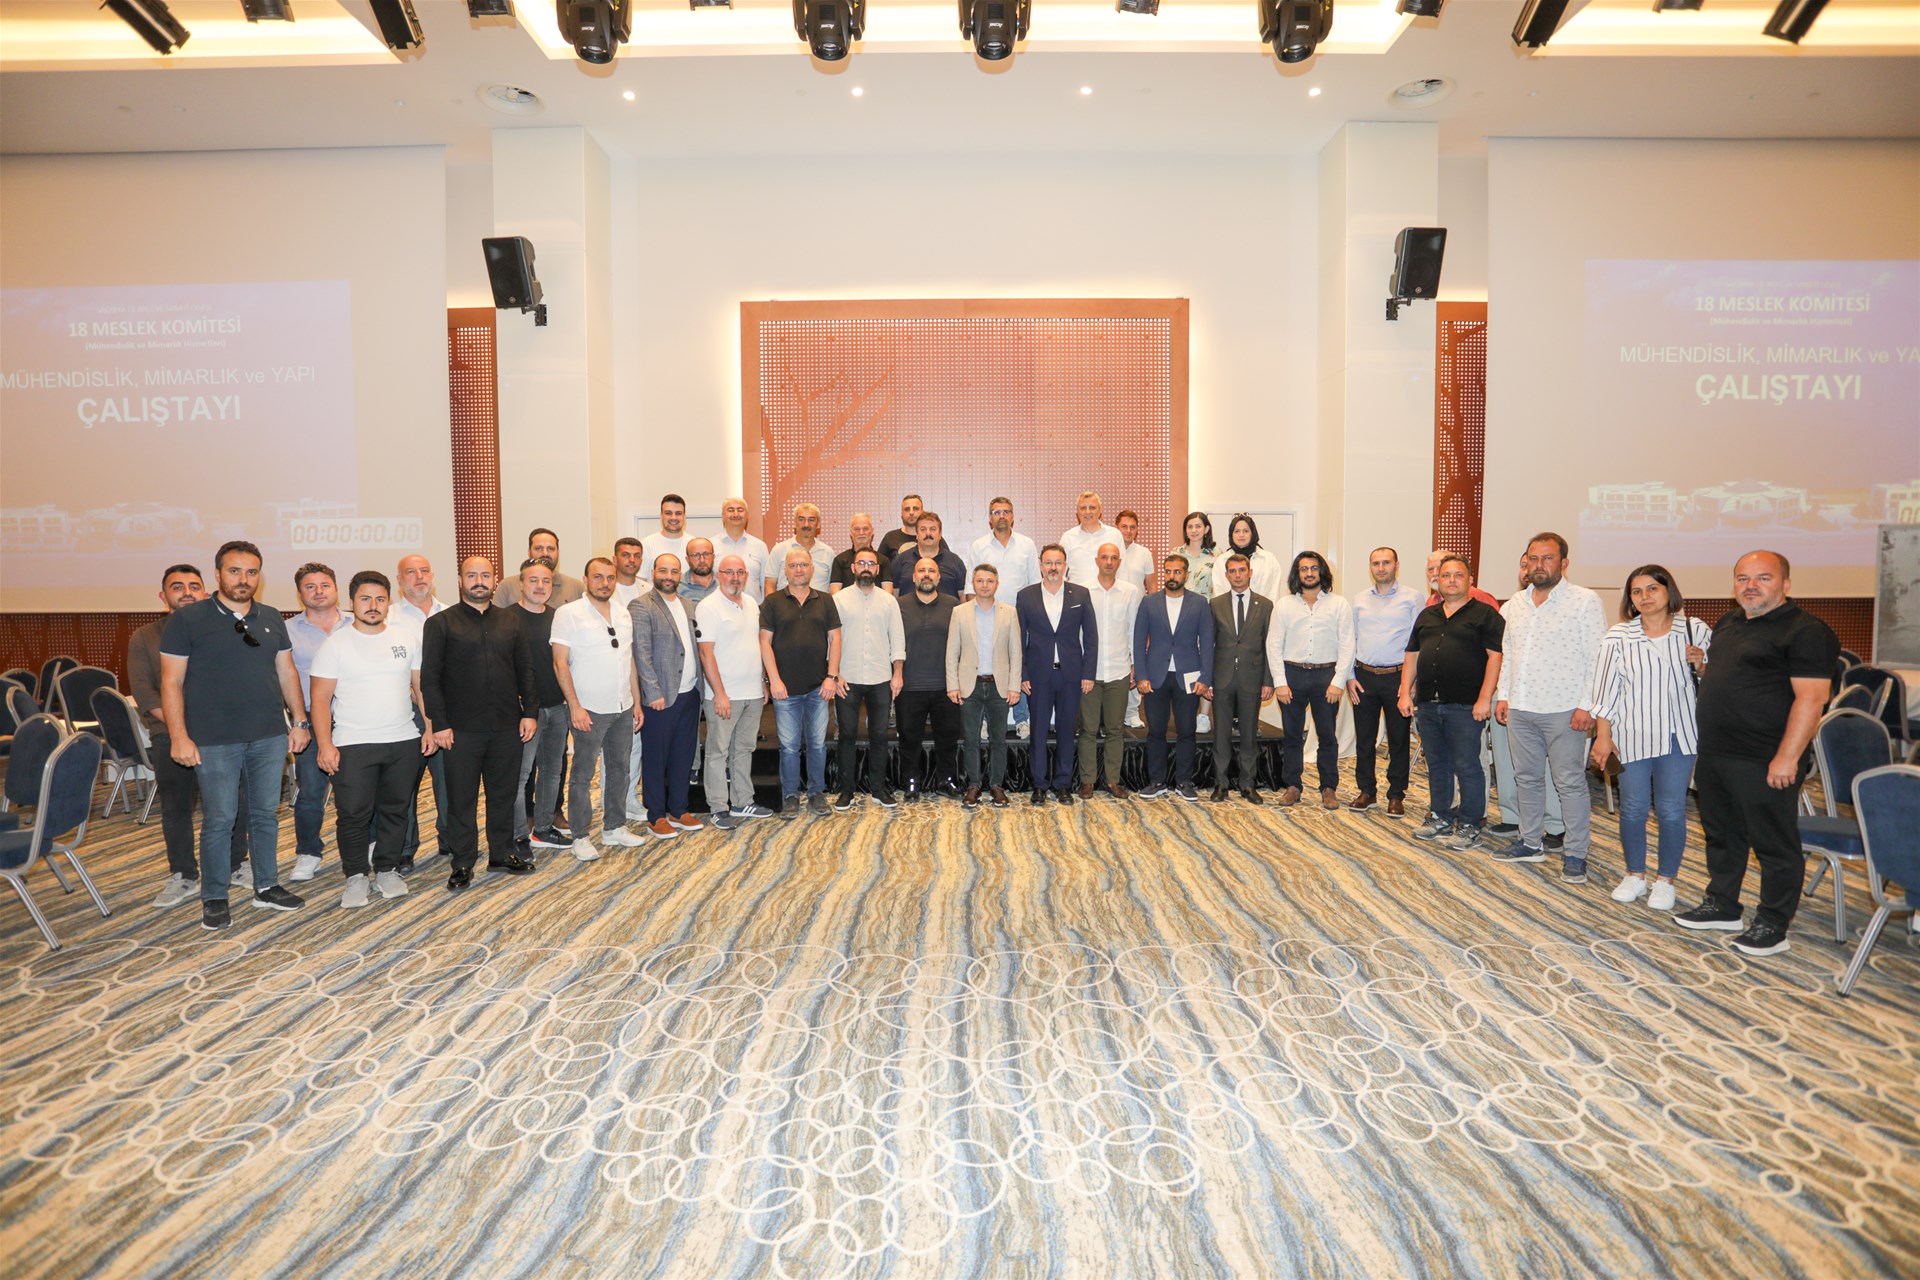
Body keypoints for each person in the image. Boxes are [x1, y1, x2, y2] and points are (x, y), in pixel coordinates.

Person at [1674, 550, 1838, 957]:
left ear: (1786, 584)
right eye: (1743, 578)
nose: (1751, 586)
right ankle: (1723, 905)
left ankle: (1773, 924)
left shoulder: (1806, 631)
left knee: (1773, 844)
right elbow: (1735, 678)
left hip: (1766, 757)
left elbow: (1812, 699)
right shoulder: (1730, 622)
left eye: (1763, 578)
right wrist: (1704, 671)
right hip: (1716, 752)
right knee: (1721, 835)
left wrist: (1788, 757)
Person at [159, 539, 309, 930]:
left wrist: (299, 721)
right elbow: (171, 682)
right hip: (213, 740)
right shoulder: (188, 620)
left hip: (269, 735)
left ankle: (267, 886)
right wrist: (179, 736)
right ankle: (214, 895)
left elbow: (287, 671)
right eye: (235, 571)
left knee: (265, 815)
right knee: (220, 819)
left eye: (251, 572)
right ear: (218, 574)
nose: (243, 579)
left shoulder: (271, 617)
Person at [1589, 565, 1711, 913]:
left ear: (1669, 591)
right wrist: (1603, 736)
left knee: (1672, 809)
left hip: (1678, 736)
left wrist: (1703, 665)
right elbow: (1606, 692)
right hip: (1632, 736)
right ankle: (1635, 874)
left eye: (1652, 589)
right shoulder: (1618, 636)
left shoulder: (1695, 630)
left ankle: (1666, 879)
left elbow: (1716, 683)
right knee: (1633, 807)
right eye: (1637, 591)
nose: (1645, 597)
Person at [129, 563, 249, 908]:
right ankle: (183, 874)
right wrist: (182, 729)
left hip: (223, 737)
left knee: (233, 804)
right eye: (177, 587)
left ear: (205, 592)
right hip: (171, 736)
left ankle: (236, 864)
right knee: (176, 808)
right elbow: (146, 695)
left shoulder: (225, 630)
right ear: (163, 595)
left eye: (194, 586)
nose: (186, 593)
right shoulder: (145, 637)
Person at [1491, 532, 1607, 884]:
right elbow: (1509, 654)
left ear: (1563, 563)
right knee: (1526, 779)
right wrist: (1504, 695)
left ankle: (1575, 853)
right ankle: (1530, 842)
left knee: (1569, 783)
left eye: (1547, 558)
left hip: (1565, 710)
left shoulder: (1584, 601)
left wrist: (1587, 706)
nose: (1539, 565)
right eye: (1533, 558)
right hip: (1521, 707)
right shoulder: (1514, 604)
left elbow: (1597, 658)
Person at [419, 555, 539, 890]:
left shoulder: (511, 620)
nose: (479, 581)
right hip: (460, 730)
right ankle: (462, 862)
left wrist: (530, 712)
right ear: (460, 580)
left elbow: (525, 670)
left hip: (507, 726)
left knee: (503, 795)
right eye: (471, 575)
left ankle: (501, 853)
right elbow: (430, 678)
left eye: (485, 575)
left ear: (494, 580)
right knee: (462, 799)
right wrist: (439, 723)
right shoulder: (441, 623)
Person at [309, 570, 427, 908]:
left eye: (379, 599)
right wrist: (325, 745)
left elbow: (421, 689)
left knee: (396, 811)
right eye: (365, 599)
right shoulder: (335, 645)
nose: (372, 605)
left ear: (388, 602)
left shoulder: (406, 639)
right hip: (352, 744)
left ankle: (387, 869)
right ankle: (356, 875)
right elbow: (320, 699)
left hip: (403, 740)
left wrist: (431, 728)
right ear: (352, 602)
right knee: (354, 815)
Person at [1399, 554, 1504, 851]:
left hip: (1466, 706)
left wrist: (1485, 698)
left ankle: (1470, 823)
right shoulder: (1427, 615)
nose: (1452, 580)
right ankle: (1440, 816)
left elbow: (1495, 657)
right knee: (1438, 764)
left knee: (1468, 766)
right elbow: (1412, 655)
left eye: (1458, 575)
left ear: (1470, 580)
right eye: (1446, 575)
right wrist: (1405, 692)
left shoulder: (1485, 614)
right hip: (1429, 705)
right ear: (1437, 581)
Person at [550, 556, 645, 858]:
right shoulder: (568, 613)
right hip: (588, 709)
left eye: (610, 577)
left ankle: (614, 827)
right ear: (586, 579)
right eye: (598, 577)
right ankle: (580, 835)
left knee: (620, 769)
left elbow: (628, 660)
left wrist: (636, 702)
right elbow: (560, 663)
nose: (605, 583)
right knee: (582, 774)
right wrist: (574, 706)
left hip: (622, 706)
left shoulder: (623, 613)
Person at [1267, 550, 1354, 809]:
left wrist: (1338, 682)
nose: (1309, 573)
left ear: (1322, 571)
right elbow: (1274, 644)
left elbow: (1348, 645)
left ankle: (1328, 788)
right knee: (1292, 735)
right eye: (1304, 569)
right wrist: (1280, 682)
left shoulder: (1339, 604)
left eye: (1314, 568)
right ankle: (1293, 786)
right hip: (1291, 675)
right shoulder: (1284, 605)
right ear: (1297, 574)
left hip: (1326, 677)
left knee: (1327, 736)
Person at [1486, 547, 1562, 842]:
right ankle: (1512, 816)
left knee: (1545, 765)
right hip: (1507, 694)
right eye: (1524, 565)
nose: (1528, 569)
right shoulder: (1510, 607)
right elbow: (1501, 653)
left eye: (1535, 562)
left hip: (1547, 700)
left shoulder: (1564, 605)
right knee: (1506, 760)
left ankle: (1554, 824)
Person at [761, 547, 842, 818]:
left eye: (804, 565)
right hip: (785, 691)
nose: (799, 569)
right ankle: (791, 796)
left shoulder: (826, 600)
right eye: (793, 565)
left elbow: (836, 639)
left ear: (812, 569)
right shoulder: (772, 602)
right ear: (785, 570)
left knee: (818, 745)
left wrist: (832, 676)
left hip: (819, 688)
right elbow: (764, 642)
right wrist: (774, 680)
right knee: (789, 747)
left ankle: (817, 793)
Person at [630, 552, 705, 840]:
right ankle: (656, 816)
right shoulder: (641, 605)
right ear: (653, 572)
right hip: (660, 698)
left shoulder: (687, 605)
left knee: (683, 756)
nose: (669, 576)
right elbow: (641, 652)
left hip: (689, 693)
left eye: (674, 571)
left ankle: (679, 809)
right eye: (663, 571)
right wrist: (652, 692)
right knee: (655, 759)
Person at [1017, 545, 1097, 803]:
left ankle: (1063, 784)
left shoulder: (1081, 594)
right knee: (1038, 731)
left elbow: (1091, 637)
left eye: (1058, 562)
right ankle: (1039, 785)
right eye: (1048, 562)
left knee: (1066, 731)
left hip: (1071, 674)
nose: (1053, 567)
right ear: (1041, 566)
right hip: (1037, 675)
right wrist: (1022, 673)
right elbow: (1018, 639)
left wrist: (1088, 673)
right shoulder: (1025, 596)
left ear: (1065, 566)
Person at [1347, 547, 1423, 818]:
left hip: (1398, 677)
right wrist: (1350, 677)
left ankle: (1396, 795)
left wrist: (1411, 683)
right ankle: (1366, 791)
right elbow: (1352, 639)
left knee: (1398, 739)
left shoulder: (1412, 598)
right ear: (1370, 567)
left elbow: (1418, 643)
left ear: (1396, 565)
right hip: (1364, 677)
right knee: (1364, 739)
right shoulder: (1359, 600)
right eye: (1376, 563)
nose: (1381, 568)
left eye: (1386, 563)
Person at [698, 555, 773, 830]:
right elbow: (706, 653)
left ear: (746, 576)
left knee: (744, 748)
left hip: (752, 692)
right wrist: (719, 693)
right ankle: (718, 807)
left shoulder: (751, 603)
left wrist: (762, 680)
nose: (735, 577)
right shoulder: (708, 607)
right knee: (717, 752)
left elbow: (755, 645)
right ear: (719, 574)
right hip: (724, 695)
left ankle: (742, 801)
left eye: (740, 572)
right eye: (729, 572)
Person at [285, 562, 348, 883]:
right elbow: (284, 679)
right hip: (311, 721)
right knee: (310, 791)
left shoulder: (357, 623)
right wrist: (298, 722)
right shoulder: (287, 631)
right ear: (300, 594)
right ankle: (309, 852)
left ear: (336, 589)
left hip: (356, 719)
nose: (318, 591)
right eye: (310, 587)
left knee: (359, 790)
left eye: (324, 585)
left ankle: (364, 845)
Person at [1135, 553, 1214, 800]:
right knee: (1155, 731)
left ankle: (1184, 781)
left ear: (1186, 575)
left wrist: (1206, 677)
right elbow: (1138, 641)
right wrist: (1141, 675)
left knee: (1187, 731)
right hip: (1155, 677)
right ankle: (1157, 781)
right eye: (1168, 571)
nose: (1172, 576)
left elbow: (1207, 642)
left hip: (1188, 677)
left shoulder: (1199, 603)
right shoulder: (1149, 602)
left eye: (1177, 571)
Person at [832, 547, 905, 809]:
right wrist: (834, 674)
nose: (866, 567)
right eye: (861, 563)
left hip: (880, 677)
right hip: (847, 678)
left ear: (877, 569)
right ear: (853, 568)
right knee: (847, 735)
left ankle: (878, 789)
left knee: (879, 735)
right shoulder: (838, 600)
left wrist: (897, 673)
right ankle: (846, 791)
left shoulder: (888, 601)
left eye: (870, 563)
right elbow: (830, 640)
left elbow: (897, 639)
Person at [947, 564, 1022, 808]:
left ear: (996, 584)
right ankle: (974, 785)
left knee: (998, 739)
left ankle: (997, 786)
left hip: (999, 686)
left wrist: (1014, 686)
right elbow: (952, 652)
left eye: (990, 581)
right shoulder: (960, 612)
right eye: (980, 581)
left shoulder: (1009, 612)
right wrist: (952, 685)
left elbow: (1016, 653)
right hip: (970, 686)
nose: (985, 585)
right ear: (973, 583)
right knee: (971, 740)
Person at [394, 553, 451, 869]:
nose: (419, 577)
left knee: (450, 781)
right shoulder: (388, 618)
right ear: (399, 580)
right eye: (411, 572)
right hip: (404, 714)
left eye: (424, 570)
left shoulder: (452, 614)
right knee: (404, 786)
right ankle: (404, 849)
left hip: (446, 712)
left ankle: (450, 838)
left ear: (433, 576)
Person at [510, 561, 571, 855]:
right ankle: (518, 837)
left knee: (552, 772)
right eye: (533, 580)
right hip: (524, 713)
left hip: (557, 708)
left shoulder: (559, 617)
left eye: (545, 581)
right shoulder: (506, 618)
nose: (539, 586)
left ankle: (544, 828)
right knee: (520, 776)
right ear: (521, 584)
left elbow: (566, 661)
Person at [967, 497, 1040, 740]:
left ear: (1013, 516)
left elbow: (1034, 584)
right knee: (987, 665)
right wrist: (973, 619)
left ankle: (1021, 719)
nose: (1001, 516)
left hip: (1020, 617)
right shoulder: (979, 546)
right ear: (990, 518)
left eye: (1006, 512)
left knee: (1018, 665)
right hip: (986, 616)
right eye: (996, 512)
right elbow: (971, 586)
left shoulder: (1027, 545)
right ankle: (984, 720)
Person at [1209, 552, 1274, 803]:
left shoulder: (1265, 605)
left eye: (1241, 570)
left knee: (1249, 735)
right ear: (1226, 575)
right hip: (1222, 678)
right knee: (1221, 735)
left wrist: (1268, 681)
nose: (1237, 575)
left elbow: (1269, 645)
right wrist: (1208, 679)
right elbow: (1209, 644)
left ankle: (1248, 784)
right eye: (1233, 571)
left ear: (1250, 573)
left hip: (1252, 678)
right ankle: (1221, 784)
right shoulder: (1216, 604)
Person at [1077, 542, 1141, 798]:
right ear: (1096, 560)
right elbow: (1078, 633)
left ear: (1119, 562)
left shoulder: (1131, 592)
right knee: (1088, 729)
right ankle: (1087, 781)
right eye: (1104, 557)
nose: (1109, 562)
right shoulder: (1083, 591)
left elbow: (1133, 630)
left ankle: (1113, 780)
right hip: (1089, 673)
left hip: (1119, 669)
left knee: (1115, 729)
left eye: (1114, 558)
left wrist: (1135, 664)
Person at [897, 556, 963, 800]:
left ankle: (946, 781)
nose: (926, 574)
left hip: (946, 686)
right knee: (909, 739)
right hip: (909, 686)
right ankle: (911, 781)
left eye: (931, 570)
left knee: (948, 739)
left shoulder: (954, 605)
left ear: (939, 577)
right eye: (921, 570)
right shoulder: (898, 605)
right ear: (913, 577)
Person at [496, 528, 585, 607]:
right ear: (529, 552)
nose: (545, 553)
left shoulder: (576, 588)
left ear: (558, 552)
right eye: (538, 548)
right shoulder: (507, 586)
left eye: (550, 548)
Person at [889, 511, 967, 597]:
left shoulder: (955, 562)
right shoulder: (901, 560)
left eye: (933, 529)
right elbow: (894, 595)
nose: (928, 533)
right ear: (916, 534)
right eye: (923, 529)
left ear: (940, 534)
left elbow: (963, 597)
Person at [766, 503, 836, 598]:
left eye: (811, 520)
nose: (806, 524)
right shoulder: (779, 550)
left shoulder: (828, 553)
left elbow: (833, 588)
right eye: (801, 519)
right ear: (795, 523)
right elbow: (770, 585)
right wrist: (773, 606)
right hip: (785, 606)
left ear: (818, 524)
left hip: (819, 607)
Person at [1213, 515, 1283, 602]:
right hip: (1229, 609)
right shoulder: (1221, 561)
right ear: (1231, 534)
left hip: (1262, 609)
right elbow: (1218, 593)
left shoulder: (1269, 559)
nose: (1241, 535)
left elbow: (1274, 593)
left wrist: (1268, 609)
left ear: (1253, 533)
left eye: (1246, 531)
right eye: (1237, 531)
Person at [1058, 491, 1121, 586]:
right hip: (1077, 593)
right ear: (1077, 512)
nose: (1087, 512)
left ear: (1100, 511)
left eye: (1092, 508)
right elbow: (1060, 572)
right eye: (1083, 508)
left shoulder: (1114, 535)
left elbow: (1122, 571)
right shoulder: (1068, 537)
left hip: (1108, 593)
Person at [715, 496, 771, 603]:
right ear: (723, 515)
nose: (736, 514)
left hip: (752, 609)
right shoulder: (711, 546)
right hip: (718, 608)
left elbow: (766, 584)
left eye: (740, 510)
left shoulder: (760, 546)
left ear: (747, 515)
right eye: (730, 510)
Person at [831, 514, 895, 596]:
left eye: (865, 529)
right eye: (857, 529)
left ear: (872, 531)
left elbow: (888, 592)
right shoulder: (839, 560)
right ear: (851, 532)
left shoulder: (883, 560)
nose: (861, 533)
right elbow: (835, 591)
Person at [638, 493, 693, 585]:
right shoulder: (646, 544)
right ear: (661, 515)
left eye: (678, 513)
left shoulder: (693, 545)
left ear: (684, 516)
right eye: (668, 513)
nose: (673, 517)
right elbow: (640, 583)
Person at [880, 494, 949, 563]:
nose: (911, 513)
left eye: (915, 509)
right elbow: (880, 565)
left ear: (922, 512)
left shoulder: (933, 538)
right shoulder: (890, 537)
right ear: (902, 514)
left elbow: (948, 562)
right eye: (907, 509)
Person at [1423, 549, 1500, 609]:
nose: (1435, 573)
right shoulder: (1431, 601)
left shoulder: (1480, 597)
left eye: (1439, 568)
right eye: (1431, 569)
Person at [1168, 511, 1216, 600]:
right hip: (1181, 604)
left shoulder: (1217, 555)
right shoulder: (1176, 553)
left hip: (1207, 605)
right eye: (1190, 527)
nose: (1193, 530)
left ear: (1206, 529)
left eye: (1198, 526)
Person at [1114, 510, 1157, 594]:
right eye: (1124, 527)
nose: (1128, 531)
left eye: (1132, 527)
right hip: (1113, 602)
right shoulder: (1108, 554)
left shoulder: (1145, 553)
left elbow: (1151, 586)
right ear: (1117, 528)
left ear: (1137, 529)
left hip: (1138, 602)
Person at [679, 538, 718, 609]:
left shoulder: (723, 583)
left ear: (713, 557)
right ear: (687, 559)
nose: (702, 560)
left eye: (706, 554)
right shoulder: (678, 587)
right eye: (696, 555)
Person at [611, 536, 648, 608]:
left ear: (641, 561)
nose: (632, 560)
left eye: (637, 556)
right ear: (615, 560)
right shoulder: (605, 589)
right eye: (626, 555)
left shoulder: (649, 590)